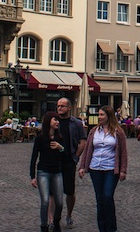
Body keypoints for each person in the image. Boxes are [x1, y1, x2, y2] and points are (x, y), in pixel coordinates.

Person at [78, 106, 127, 232]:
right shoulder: (94, 131)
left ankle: (111, 228)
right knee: (99, 199)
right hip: (95, 168)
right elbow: (88, 149)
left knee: (107, 196)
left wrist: (123, 170)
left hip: (111, 168)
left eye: (102, 115)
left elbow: (123, 152)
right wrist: (83, 166)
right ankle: (102, 228)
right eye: (99, 115)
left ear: (109, 116)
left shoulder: (118, 132)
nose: (99, 117)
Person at [31, 112, 66, 232]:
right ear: (48, 122)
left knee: (60, 202)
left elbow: (66, 155)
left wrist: (60, 148)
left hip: (57, 172)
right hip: (43, 172)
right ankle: (44, 225)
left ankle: (56, 221)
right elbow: (34, 157)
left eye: (58, 120)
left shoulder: (60, 138)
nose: (57, 122)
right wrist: (32, 176)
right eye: (54, 120)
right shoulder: (40, 138)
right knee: (45, 201)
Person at [55, 97, 87, 229]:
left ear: (69, 108)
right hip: (54, 161)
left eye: (62, 106)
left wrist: (75, 157)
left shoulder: (76, 123)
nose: (59, 108)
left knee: (69, 191)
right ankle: (53, 218)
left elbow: (82, 142)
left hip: (69, 161)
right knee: (53, 191)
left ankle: (69, 215)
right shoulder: (53, 121)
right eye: (58, 106)